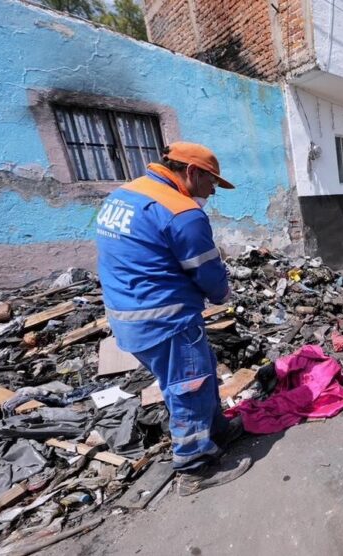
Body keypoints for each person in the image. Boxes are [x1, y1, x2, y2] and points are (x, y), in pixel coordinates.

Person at [96, 142, 251, 496]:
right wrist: (223, 295)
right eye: (212, 182)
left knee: (201, 372)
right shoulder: (182, 212)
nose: (213, 191)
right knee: (188, 388)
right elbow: (208, 274)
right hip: (167, 321)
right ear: (192, 172)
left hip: (129, 317)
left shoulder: (125, 194)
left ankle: (217, 432)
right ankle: (194, 468)